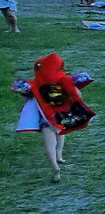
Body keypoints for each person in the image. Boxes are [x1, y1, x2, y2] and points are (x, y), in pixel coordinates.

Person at [13, 53, 96, 183]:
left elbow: (23, 94)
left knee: (49, 144)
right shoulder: (66, 81)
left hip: (45, 121)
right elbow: (78, 92)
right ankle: (59, 154)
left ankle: (54, 167)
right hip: (61, 118)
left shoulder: (34, 85)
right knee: (61, 133)